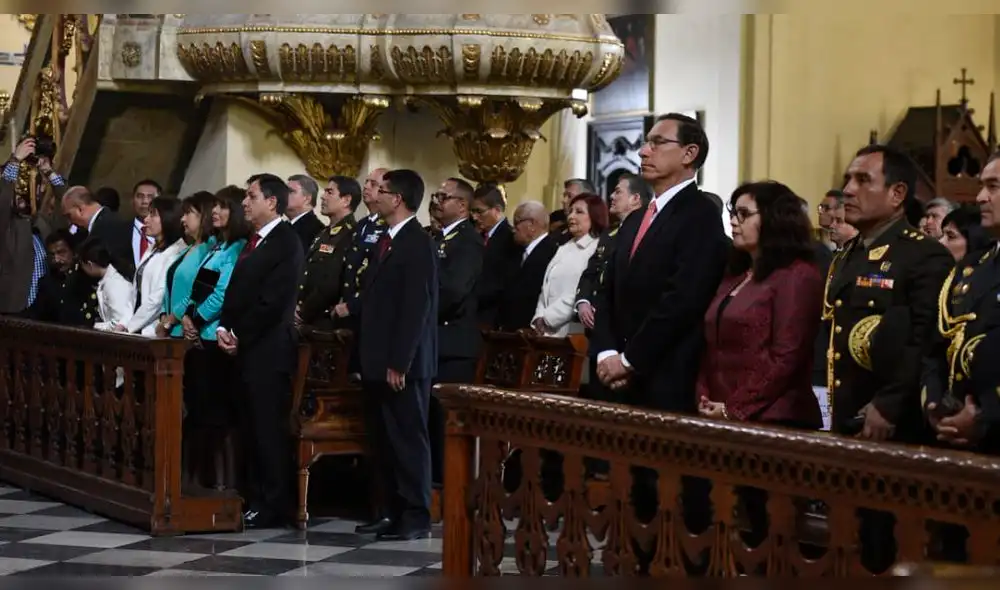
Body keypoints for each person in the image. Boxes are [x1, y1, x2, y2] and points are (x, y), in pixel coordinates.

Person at [592, 112, 729, 413]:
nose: (643, 151)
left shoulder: (700, 216)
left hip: (664, 378)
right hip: (613, 378)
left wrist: (629, 361)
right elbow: (608, 292)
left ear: (689, 153)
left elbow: (682, 301)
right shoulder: (635, 220)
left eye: (657, 143)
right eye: (645, 143)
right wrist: (606, 352)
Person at [825, 145, 953, 443]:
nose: (848, 190)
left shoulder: (924, 254)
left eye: (862, 180)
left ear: (897, 194)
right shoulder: (849, 254)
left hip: (894, 424)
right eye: (848, 180)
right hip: (846, 415)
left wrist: (888, 404)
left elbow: (924, 342)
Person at [696, 181, 823, 429]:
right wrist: (703, 395)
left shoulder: (797, 274)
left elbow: (786, 357)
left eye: (743, 214)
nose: (733, 221)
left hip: (774, 417)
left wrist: (735, 408)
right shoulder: (736, 274)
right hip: (720, 411)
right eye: (733, 213)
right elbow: (711, 345)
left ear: (774, 218)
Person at [355, 169, 438, 541]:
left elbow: (414, 306)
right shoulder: (386, 240)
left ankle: (415, 514)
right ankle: (389, 510)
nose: (376, 195)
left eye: (383, 190)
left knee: (407, 439)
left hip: (401, 363)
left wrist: (399, 362)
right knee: (384, 440)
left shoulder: (417, 243)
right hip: (377, 358)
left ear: (398, 199)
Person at [218, 174, 304, 528]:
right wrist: (224, 325)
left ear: (272, 201)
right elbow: (237, 290)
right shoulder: (253, 241)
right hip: (246, 348)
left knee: (268, 429)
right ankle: (254, 497)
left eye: (251, 196)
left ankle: (274, 504)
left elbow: (272, 302)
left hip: (268, 350)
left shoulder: (285, 242)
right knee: (250, 427)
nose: (245, 203)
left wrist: (239, 333)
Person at [922, 152, 1000, 454]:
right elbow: (937, 347)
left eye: (993, 187)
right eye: (982, 186)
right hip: (952, 437)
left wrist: (987, 411)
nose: (980, 197)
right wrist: (934, 405)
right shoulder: (972, 266)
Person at [181, 185, 250, 490]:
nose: (216, 212)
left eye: (224, 206)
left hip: (215, 338)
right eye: (216, 206)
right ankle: (201, 478)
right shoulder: (217, 247)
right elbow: (200, 288)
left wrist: (195, 319)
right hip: (199, 336)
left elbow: (223, 293)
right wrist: (186, 314)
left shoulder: (236, 248)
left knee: (217, 414)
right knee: (200, 411)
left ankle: (223, 484)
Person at [428, 177, 483, 489]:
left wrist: (419, 313)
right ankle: (434, 487)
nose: (437, 201)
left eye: (443, 196)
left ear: (462, 205)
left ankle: (449, 491)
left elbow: (452, 290)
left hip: (453, 344)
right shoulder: (441, 238)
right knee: (430, 420)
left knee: (444, 423)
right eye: (436, 195)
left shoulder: (467, 241)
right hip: (437, 340)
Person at [575, 173, 652, 332]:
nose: (611, 196)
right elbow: (591, 271)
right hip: (595, 323)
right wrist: (583, 301)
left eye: (618, 192)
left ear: (635, 199)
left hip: (621, 325)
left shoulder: (645, 233)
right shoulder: (611, 233)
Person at [1, 137, 67, 314]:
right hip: (12, 310)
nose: (21, 193)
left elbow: (70, 204)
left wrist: (49, 173)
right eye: (16, 190)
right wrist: (15, 161)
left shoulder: (41, 223)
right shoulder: (6, 226)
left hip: (44, 312)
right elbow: (2, 202)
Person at [532, 193, 607, 337]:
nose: (571, 216)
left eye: (579, 212)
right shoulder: (564, 247)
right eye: (571, 211)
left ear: (594, 216)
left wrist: (548, 318)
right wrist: (539, 317)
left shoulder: (597, 248)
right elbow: (546, 287)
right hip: (545, 331)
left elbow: (579, 292)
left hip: (572, 330)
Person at [295, 176, 360, 330]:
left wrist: (303, 313)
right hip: (305, 317)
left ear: (346, 200)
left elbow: (331, 283)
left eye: (330, 192)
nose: (323, 197)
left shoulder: (351, 234)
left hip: (323, 321)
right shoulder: (323, 233)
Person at [125, 197, 185, 336]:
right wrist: (123, 323)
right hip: (134, 324)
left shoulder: (178, 251)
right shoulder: (152, 248)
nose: (146, 219)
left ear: (168, 218)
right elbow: (135, 291)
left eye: (153, 214)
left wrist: (130, 326)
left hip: (152, 328)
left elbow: (157, 298)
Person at [496, 201, 559, 332]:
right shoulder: (517, 252)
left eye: (517, 222)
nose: (513, 228)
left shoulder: (551, 253)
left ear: (532, 225)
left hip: (531, 332)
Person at [61, 186, 136, 281]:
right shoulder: (105, 222)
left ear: (80, 209)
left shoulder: (108, 226)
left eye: (69, 216)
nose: (69, 222)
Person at [471, 183, 519, 328]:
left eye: (479, 211)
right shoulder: (478, 236)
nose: (474, 217)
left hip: (494, 318)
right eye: (472, 211)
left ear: (497, 210)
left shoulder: (510, 239)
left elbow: (503, 282)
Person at [77, 238, 134, 332]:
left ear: (90, 265)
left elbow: (119, 322)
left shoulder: (115, 284)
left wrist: (94, 326)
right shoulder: (108, 280)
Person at [286, 174, 325, 252]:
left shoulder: (317, 231)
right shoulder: (286, 225)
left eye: (290, 191)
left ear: (307, 199)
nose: (283, 194)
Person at [129, 179, 161, 270]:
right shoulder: (118, 231)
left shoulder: (170, 234)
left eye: (150, 197)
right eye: (140, 196)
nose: (145, 201)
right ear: (132, 200)